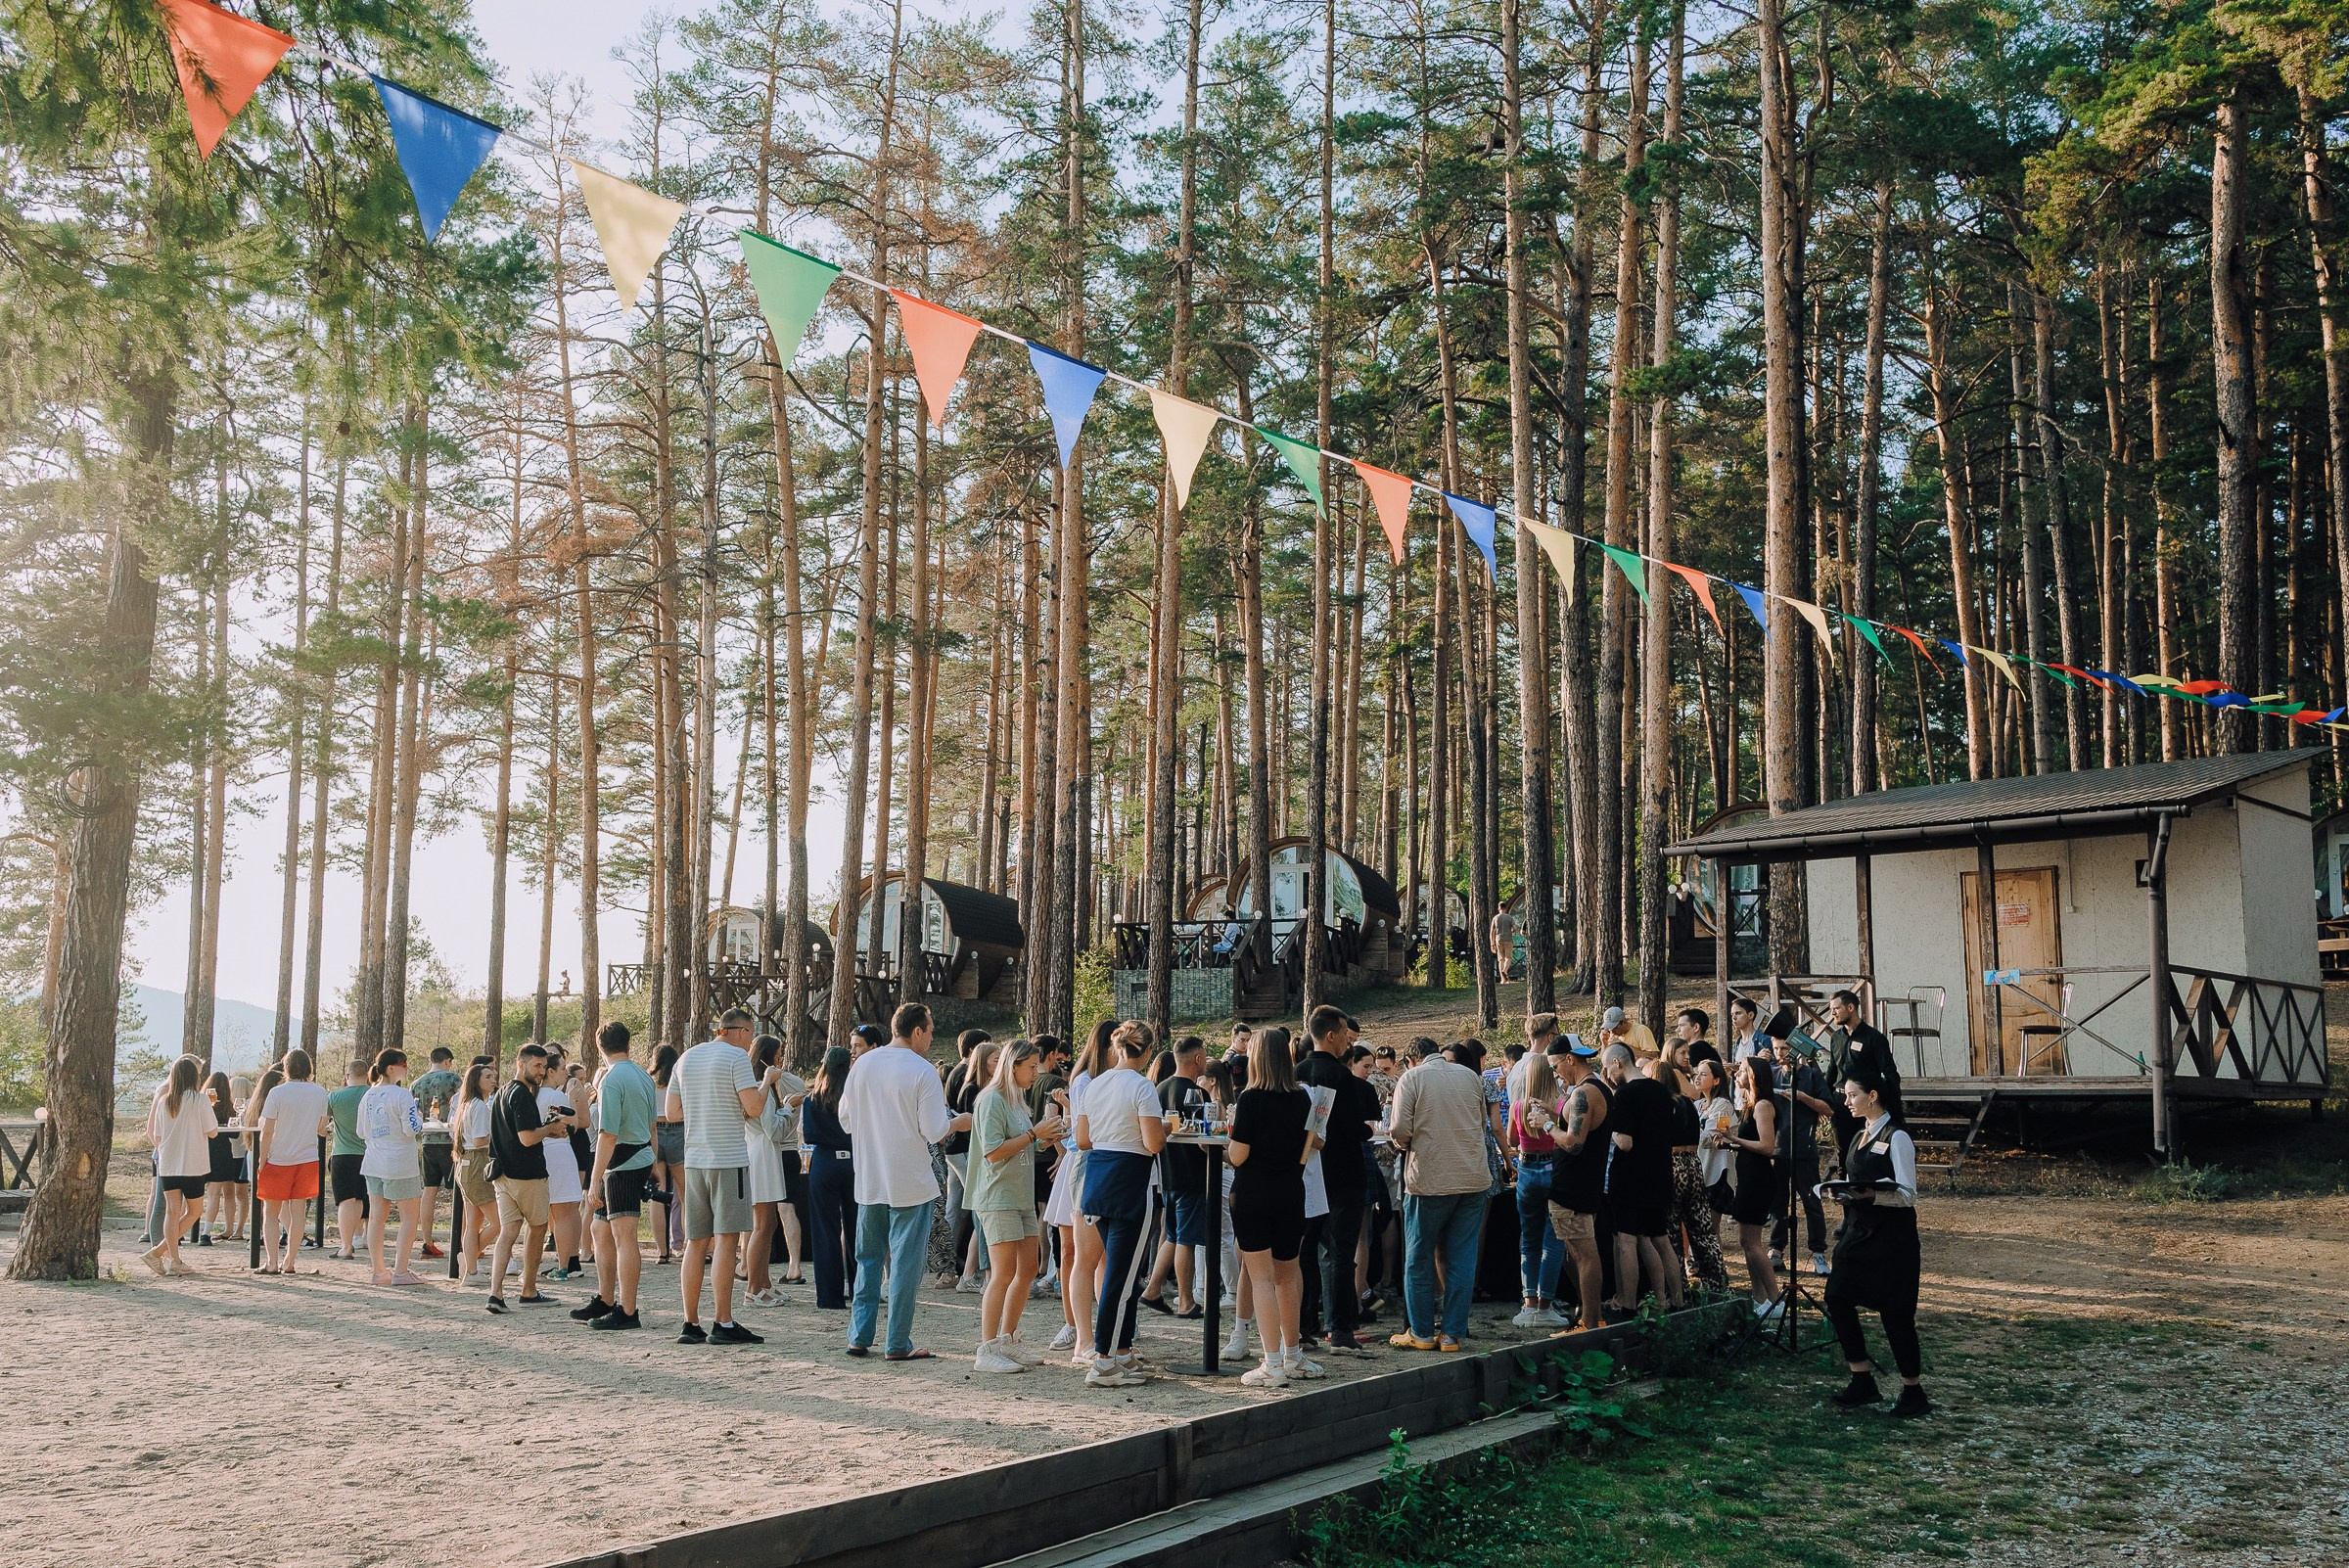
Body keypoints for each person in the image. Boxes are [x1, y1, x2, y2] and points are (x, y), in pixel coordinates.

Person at [837, 1002, 966, 1361]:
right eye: (931, 1030)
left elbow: (845, 1120)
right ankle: (897, 1342)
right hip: (910, 1179)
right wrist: (959, 1122)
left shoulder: (863, 1065)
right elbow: (935, 1130)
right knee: (906, 1265)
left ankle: (859, 1335)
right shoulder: (922, 1070)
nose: (932, 1037)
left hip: (870, 1178)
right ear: (917, 1031)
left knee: (868, 1259)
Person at [1821, 1059, 1930, 1416]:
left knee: (1896, 1315)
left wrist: (1870, 1194)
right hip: (1858, 1233)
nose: (1846, 1102)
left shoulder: (1897, 1137)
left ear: (1872, 1096)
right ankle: (1861, 1379)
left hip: (1892, 1238)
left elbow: (1908, 1194)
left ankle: (1913, 1391)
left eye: (1852, 1095)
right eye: (1845, 1095)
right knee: (1837, 1296)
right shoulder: (1858, 1135)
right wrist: (1842, 1194)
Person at [1076, 1020, 1170, 1387]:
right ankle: (1103, 1360)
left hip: (1098, 1179)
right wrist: (1167, 1128)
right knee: (1122, 1276)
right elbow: (1153, 1143)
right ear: (1146, 1052)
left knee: (1122, 1272)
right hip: (1131, 1180)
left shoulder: (1095, 1084)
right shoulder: (1142, 1086)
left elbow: (1083, 1139)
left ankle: (1122, 1349)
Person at [1385, 1035, 1491, 1352]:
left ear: (1410, 1060)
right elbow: (1481, 1122)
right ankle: (1452, 1335)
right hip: (1472, 1177)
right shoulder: (1470, 1076)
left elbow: (1399, 1130)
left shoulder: (1411, 1078)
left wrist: (1404, 1144)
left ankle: (1420, 1332)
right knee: (1462, 1257)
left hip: (1430, 1179)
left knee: (1418, 1257)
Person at [668, 1007, 766, 1346]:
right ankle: (723, 1321)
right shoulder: (737, 1058)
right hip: (728, 1158)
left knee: (696, 1241)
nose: (751, 1043)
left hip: (694, 1160)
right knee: (726, 1238)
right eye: (751, 1035)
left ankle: (690, 1322)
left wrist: (705, 1108)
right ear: (741, 1031)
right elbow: (754, 1108)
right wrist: (766, 1084)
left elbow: (672, 1112)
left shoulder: (685, 1058)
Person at [969, 1038, 1066, 1371]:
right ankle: (986, 1349)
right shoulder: (991, 1100)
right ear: (1013, 1067)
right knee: (1003, 1272)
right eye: (1031, 1067)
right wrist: (1034, 1135)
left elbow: (1023, 1145)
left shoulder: (1016, 1100)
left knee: (1028, 1269)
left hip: (1019, 1195)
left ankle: (1007, 1340)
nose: (1036, 1073)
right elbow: (993, 1152)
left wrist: (1046, 1138)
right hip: (997, 1196)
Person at [1227, 1024, 1313, 1388]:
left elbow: (1238, 1155)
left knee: (1261, 1277)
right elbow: (1307, 1148)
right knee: (1288, 1275)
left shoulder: (1250, 1099)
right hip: (1291, 1190)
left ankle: (1271, 1362)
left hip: (1253, 1193)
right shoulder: (1302, 1098)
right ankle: (1293, 1353)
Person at [1295, 1006, 1379, 1353]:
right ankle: (1340, 1327)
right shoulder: (1342, 1078)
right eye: (1346, 1034)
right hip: (1342, 1170)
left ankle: (1303, 1324)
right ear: (1331, 1035)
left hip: (1305, 1171)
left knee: (1304, 1251)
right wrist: (1367, 1129)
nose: (1349, 1040)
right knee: (1340, 1252)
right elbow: (1351, 1126)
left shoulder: (1296, 1072)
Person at [576, 1020, 659, 1331]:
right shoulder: (643, 1075)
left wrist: (594, 1180)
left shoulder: (611, 1080)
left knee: (625, 1237)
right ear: (628, 1043)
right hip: (635, 1157)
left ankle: (628, 1310)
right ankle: (606, 1299)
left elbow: (608, 1134)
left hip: (623, 1162)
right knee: (599, 1230)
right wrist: (653, 1161)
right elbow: (652, 1125)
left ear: (600, 1047)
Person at [1043, 1020, 1116, 1356]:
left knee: (1100, 1252)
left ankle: (1103, 1324)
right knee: (1070, 1249)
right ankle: (1073, 1324)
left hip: (1100, 1160)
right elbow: (1080, 1129)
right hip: (1081, 1159)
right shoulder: (1084, 1078)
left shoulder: (1112, 1078)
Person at [487, 1043, 570, 1313]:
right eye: (536, 1065)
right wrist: (551, 1128)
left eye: (544, 1066)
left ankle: (496, 1293)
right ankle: (529, 1290)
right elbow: (526, 1138)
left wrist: (546, 1130)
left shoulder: (501, 1092)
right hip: (526, 1175)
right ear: (520, 1064)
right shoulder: (521, 1094)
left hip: (503, 1175)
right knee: (537, 1228)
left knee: (508, 1232)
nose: (541, 1071)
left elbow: (519, 1133)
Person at [1601, 1041, 1679, 1312]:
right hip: (1659, 1172)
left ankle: (1628, 1304)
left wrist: (1608, 1129)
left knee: (1627, 1240)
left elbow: (1625, 1143)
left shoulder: (1624, 1094)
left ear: (1618, 1062)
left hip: (1630, 1177)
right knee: (1661, 1239)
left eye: (1607, 1067)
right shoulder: (1661, 1090)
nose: (1608, 1074)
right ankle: (1674, 1300)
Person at [1140, 1035, 1209, 1319]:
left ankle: (1153, 1289)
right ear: (1197, 1059)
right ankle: (1185, 1301)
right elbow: (1205, 1139)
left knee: (1173, 1233)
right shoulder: (1197, 1093)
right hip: (1192, 1173)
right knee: (1186, 1239)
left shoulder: (1159, 1089)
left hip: (1167, 1173)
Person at [1546, 1037, 1610, 1330]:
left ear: (1570, 1059)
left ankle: (1590, 1322)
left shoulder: (1584, 1092)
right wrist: (1552, 1115)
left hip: (1573, 1187)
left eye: (1555, 1066)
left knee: (1584, 1255)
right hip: (1584, 1184)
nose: (1556, 1074)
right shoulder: (1597, 1088)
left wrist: (1547, 1125)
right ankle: (1590, 1316)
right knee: (1580, 1253)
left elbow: (1573, 1143)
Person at [1506, 1049, 1568, 1328]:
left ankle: (1528, 1303)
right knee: (1552, 1239)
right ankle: (1546, 1305)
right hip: (1553, 1170)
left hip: (1527, 1170)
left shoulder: (1518, 1106)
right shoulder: (1561, 1103)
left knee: (1528, 1238)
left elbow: (1512, 1140)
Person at [1719, 1055, 1784, 1317]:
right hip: (1748, 1176)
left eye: (1742, 1071)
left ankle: (1776, 1299)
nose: (1736, 1075)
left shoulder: (1763, 1106)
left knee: (1753, 1242)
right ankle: (1760, 1298)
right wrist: (1730, 1142)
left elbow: (1768, 1147)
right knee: (1746, 1241)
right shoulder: (1749, 1105)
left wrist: (1736, 1140)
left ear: (1754, 1076)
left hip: (1758, 1178)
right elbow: (1751, 1143)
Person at [254, 1049, 330, 1275]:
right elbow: (321, 1128)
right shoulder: (320, 1093)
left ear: (286, 1068)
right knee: (298, 1213)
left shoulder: (277, 1093)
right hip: (307, 1158)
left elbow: (267, 1131)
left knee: (271, 1212)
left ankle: (272, 1262)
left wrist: (262, 1159)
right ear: (309, 1068)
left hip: (278, 1158)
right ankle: (290, 1261)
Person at [1658, 1050, 1728, 1291]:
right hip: (1694, 1165)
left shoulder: (1665, 1105)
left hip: (1674, 1165)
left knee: (1672, 1230)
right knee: (1702, 1227)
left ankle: (1677, 1288)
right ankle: (1718, 1283)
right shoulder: (1688, 1103)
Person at [143, 1055, 218, 1276]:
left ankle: (172, 1258)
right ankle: (159, 1253)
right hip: (192, 1164)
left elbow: (157, 1136)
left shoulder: (164, 1101)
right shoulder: (200, 1100)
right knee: (194, 1211)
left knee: (172, 1211)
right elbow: (213, 1132)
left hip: (168, 1163)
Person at [356, 1047, 426, 1285]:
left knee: (377, 1218)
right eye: (404, 1064)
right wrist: (420, 1119)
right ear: (391, 1068)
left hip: (373, 1162)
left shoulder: (368, 1095)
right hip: (400, 1164)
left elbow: (361, 1131)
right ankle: (401, 1271)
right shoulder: (402, 1095)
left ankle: (378, 1271)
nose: (406, 1068)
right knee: (409, 1218)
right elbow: (411, 1128)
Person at [802, 1040, 861, 1309]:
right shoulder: (856, 1097)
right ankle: (860, 1291)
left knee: (825, 1230)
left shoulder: (812, 1099)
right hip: (853, 1162)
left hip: (825, 1161)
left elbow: (810, 1135)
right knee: (856, 1229)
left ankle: (829, 1296)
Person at [1772, 1031, 1834, 1276]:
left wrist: (1803, 1098)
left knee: (1811, 1202)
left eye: (1785, 1049)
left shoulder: (1811, 1075)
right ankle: (1776, 1249)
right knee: (1778, 1202)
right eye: (1776, 1049)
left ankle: (1818, 1252)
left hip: (1805, 1149)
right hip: (1778, 1149)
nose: (1780, 1053)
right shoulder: (1772, 1074)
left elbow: (1828, 1109)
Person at [741, 1032, 797, 1309]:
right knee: (762, 1225)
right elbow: (773, 1130)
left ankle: (764, 1283)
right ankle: (753, 1288)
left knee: (770, 1223)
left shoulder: (759, 1088)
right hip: (762, 1155)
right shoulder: (758, 1087)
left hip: (764, 1153)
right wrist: (788, 1109)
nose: (781, 1060)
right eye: (778, 1055)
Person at [1824, 989, 1900, 1175]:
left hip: (1866, 1102)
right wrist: (1824, 1098)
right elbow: (1832, 1071)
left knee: (1866, 1149)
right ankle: (1844, 1186)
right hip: (1841, 1102)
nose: (1832, 1013)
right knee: (1843, 1151)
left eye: (1836, 1008)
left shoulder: (1874, 1038)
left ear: (1851, 1008)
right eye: (1831, 1009)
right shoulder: (1836, 1038)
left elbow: (1890, 1073)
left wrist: (1892, 1104)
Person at [537, 1041, 587, 1280]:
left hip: (544, 1151)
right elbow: (574, 1122)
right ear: (551, 1071)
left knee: (558, 1211)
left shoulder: (533, 1094)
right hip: (559, 1152)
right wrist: (571, 1099)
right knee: (565, 1212)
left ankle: (565, 1262)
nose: (566, 1073)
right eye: (562, 1069)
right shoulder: (556, 1095)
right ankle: (565, 1265)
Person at [409, 1046, 461, 1259]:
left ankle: (427, 1240)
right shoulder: (453, 1079)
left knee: (429, 1189)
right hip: (449, 1140)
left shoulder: (416, 1084)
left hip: (427, 1140)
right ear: (447, 1061)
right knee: (456, 1191)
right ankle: (460, 1240)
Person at [452, 1060, 502, 1283]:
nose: (493, 1080)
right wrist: (502, 1137)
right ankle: (469, 1262)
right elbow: (481, 1139)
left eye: (493, 1076)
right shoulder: (479, 1106)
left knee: (473, 1223)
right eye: (487, 1077)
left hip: (465, 1164)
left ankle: (471, 1270)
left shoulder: (466, 1104)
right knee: (499, 1223)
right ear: (476, 1081)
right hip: (477, 1163)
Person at [325, 1056, 370, 1261]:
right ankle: (357, 1238)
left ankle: (346, 1245)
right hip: (368, 1153)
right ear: (367, 1075)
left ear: (347, 1075)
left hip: (343, 1154)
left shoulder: (335, 1097)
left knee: (345, 1201)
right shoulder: (372, 1094)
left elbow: (321, 1126)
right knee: (360, 1199)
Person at [200, 1070, 245, 1245]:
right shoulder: (229, 1107)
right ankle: (209, 1232)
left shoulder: (202, 1105)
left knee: (206, 1193)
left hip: (204, 1151)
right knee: (223, 1193)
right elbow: (234, 1135)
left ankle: (190, 1230)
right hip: (223, 1154)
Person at [650, 1042, 685, 1265]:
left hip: (654, 1131)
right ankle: (689, 1246)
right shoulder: (679, 1079)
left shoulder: (648, 1081)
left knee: (658, 1193)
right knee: (685, 1193)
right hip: (677, 1130)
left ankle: (662, 1252)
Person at [1674, 1008, 1722, 1079]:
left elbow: (1697, 1082)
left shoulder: (1694, 1050)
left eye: (1682, 1025)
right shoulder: (1710, 1050)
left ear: (1696, 1027)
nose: (1677, 1030)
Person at [1727, 994, 1767, 1064]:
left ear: (1750, 1015)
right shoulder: (1737, 1044)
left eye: (1738, 1013)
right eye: (1732, 1014)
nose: (1734, 1018)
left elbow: (1775, 1068)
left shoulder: (1764, 1041)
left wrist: (1758, 1060)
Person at [1489, 906, 1518, 981]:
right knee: (1508, 957)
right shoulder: (1509, 917)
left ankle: (1503, 979)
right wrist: (1511, 931)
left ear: (1499, 908)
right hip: (1508, 939)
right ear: (1505, 908)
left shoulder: (1495, 918)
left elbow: (1492, 932)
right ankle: (1504, 970)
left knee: (1501, 959)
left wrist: (1492, 944)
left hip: (1498, 939)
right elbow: (1515, 928)